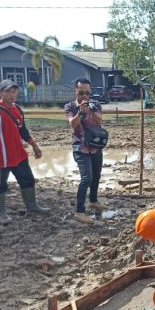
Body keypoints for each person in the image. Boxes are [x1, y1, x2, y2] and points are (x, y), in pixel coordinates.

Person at [0, 79, 50, 224]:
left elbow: (23, 129)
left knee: (27, 179)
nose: (12, 95)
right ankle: (1, 213)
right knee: (0, 184)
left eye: (14, 92)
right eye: (8, 92)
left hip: (18, 154)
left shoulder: (17, 109)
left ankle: (32, 206)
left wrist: (34, 145)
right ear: (1, 93)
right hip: (2, 156)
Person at [65, 77, 105, 225]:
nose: (84, 96)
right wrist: (81, 113)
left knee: (96, 176)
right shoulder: (70, 107)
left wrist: (91, 111)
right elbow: (72, 124)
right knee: (86, 178)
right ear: (75, 91)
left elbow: (100, 120)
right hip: (80, 147)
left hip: (95, 146)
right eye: (81, 92)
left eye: (87, 93)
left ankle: (93, 201)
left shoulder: (95, 104)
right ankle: (79, 211)